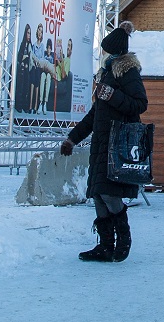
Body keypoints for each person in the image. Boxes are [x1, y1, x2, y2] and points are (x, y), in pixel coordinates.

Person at [61, 21, 148, 263]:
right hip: (101, 145)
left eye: (106, 50)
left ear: (116, 52)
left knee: (109, 195)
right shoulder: (106, 74)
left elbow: (140, 104)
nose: (103, 54)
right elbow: (94, 115)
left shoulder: (127, 72)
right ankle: (105, 245)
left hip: (116, 146)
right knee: (98, 194)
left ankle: (124, 240)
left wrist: (113, 95)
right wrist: (72, 139)